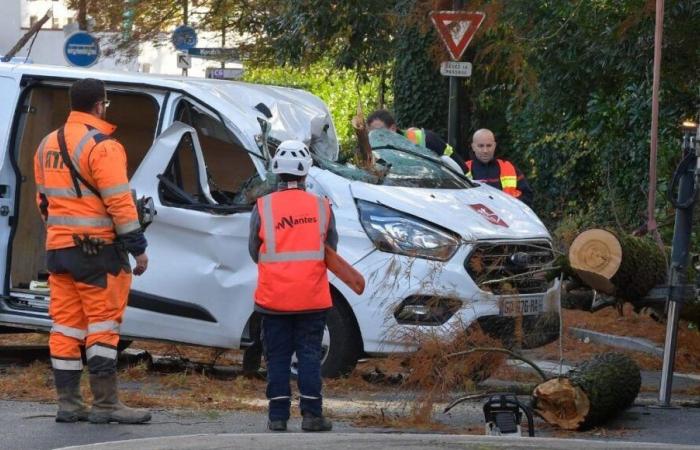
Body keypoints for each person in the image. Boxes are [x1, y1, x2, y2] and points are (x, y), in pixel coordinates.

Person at [34, 78, 150, 424]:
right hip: (98, 254)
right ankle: (106, 405)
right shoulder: (104, 146)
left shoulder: (46, 144)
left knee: (66, 327)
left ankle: (69, 404)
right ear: (99, 105)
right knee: (102, 327)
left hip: (59, 251)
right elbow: (119, 203)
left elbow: (43, 201)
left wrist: (61, 232)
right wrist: (138, 248)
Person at [249, 140, 337, 432]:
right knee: (309, 355)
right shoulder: (322, 207)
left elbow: (253, 250)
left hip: (273, 298)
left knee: (277, 357)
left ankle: (277, 417)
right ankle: (312, 415)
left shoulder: (262, 207)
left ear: (276, 171)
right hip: (312, 298)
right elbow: (331, 249)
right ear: (305, 172)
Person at [367, 109, 466, 169]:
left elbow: (455, 163)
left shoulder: (426, 138)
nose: (375, 136)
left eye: (379, 131)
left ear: (392, 128)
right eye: (371, 133)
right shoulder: (376, 151)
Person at [467, 128, 534, 206]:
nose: (485, 150)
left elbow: (528, 196)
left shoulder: (508, 168)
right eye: (481, 146)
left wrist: (508, 206)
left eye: (489, 145)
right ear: (473, 147)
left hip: (506, 216)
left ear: (494, 146)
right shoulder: (464, 169)